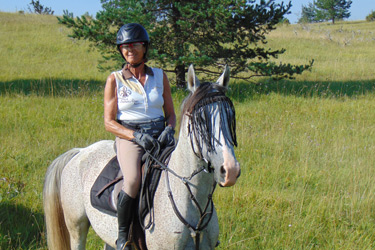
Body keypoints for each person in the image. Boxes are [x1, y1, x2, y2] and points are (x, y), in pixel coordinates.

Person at [104, 23, 176, 250]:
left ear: (144, 47)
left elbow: (171, 114)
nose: (129, 50)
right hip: (130, 137)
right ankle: (123, 236)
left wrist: (169, 129)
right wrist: (136, 136)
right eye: (124, 46)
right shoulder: (115, 79)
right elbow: (109, 122)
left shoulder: (160, 76)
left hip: (159, 135)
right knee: (133, 180)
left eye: (134, 45)